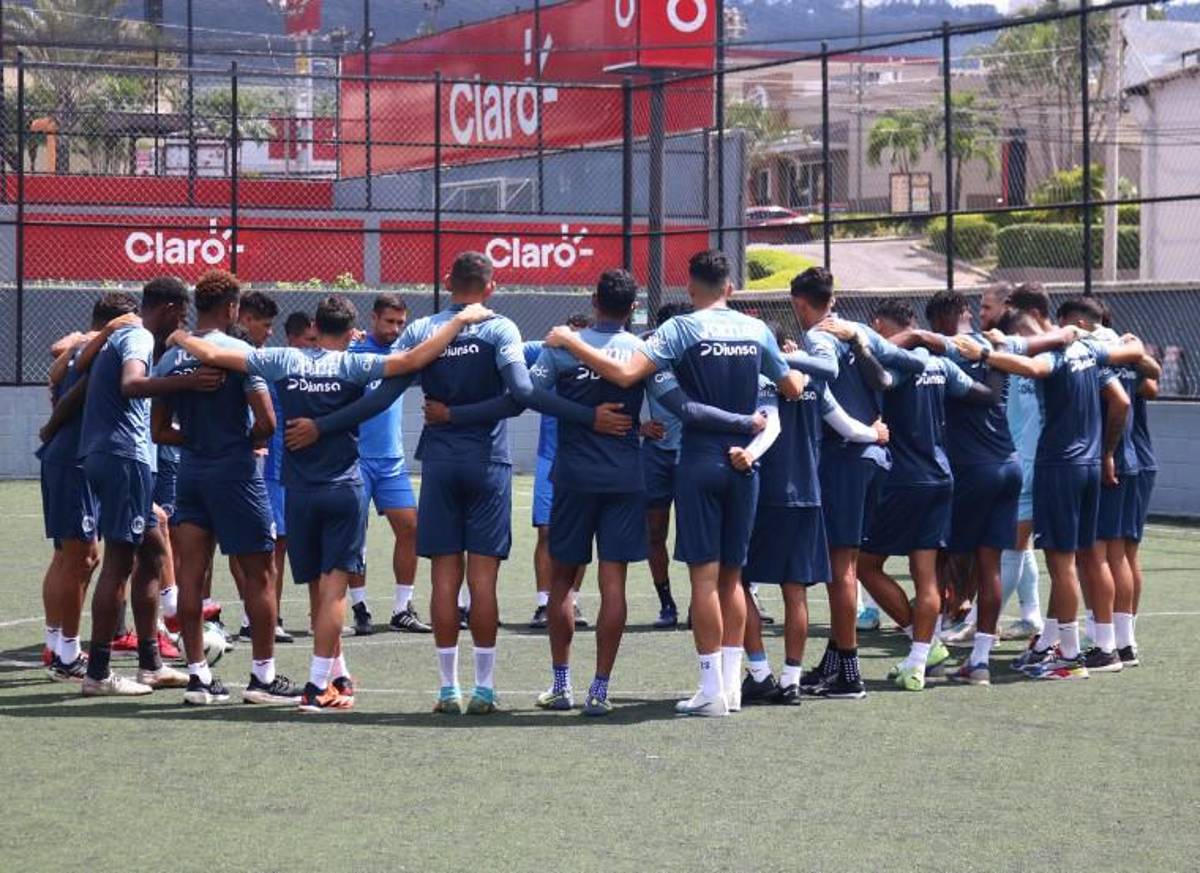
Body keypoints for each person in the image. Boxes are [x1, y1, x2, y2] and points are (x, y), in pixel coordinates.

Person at [284, 253, 624, 715]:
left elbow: (380, 398)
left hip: (440, 464)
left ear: (447, 283)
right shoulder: (499, 328)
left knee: (444, 579)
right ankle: (484, 690)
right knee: (482, 582)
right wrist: (590, 418)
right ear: (491, 287)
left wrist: (322, 427)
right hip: (487, 463)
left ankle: (449, 690)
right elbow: (521, 397)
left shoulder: (423, 331)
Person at [167, 293, 494, 713]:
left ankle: (337, 674)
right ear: (352, 329)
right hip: (343, 489)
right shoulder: (355, 364)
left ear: (316, 329)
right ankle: (318, 685)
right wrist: (458, 322)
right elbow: (414, 360)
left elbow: (211, 351)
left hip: (298, 493)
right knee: (335, 592)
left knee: (318, 590)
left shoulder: (285, 360)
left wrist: (178, 334)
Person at [545, 250, 807, 717]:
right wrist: (797, 374)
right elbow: (791, 389)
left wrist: (570, 338)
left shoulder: (681, 328)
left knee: (704, 579)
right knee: (734, 578)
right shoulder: (756, 329)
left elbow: (627, 373)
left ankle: (710, 690)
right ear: (730, 287)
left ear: (690, 288)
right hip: (746, 465)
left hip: (703, 458)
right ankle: (729, 689)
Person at [953, 299, 1147, 681]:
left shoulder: (1056, 356)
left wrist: (986, 353)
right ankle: (1106, 647)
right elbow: (1135, 356)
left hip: (1059, 467)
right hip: (1091, 465)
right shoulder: (1090, 350)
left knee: (1061, 566)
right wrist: (1107, 451)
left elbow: (1031, 366)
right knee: (1090, 557)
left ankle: (1069, 655)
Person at [153, 270, 301, 706]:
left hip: (191, 475)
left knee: (192, 578)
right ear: (233, 307)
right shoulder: (242, 352)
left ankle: (198, 677)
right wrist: (242, 441)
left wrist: (197, 440)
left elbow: (160, 430)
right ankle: (263, 678)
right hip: (236, 474)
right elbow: (268, 423)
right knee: (260, 574)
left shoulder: (170, 360)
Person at [785, 267, 926, 699]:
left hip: (844, 457)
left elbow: (824, 373)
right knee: (845, 562)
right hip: (872, 458)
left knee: (841, 569)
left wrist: (778, 356)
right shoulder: (857, 329)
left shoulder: (818, 337)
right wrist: (865, 345)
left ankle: (849, 671)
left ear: (799, 304)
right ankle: (834, 661)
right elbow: (915, 361)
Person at [77, 277, 219, 696]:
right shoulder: (138, 335)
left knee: (155, 551)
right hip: (123, 457)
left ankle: (151, 663)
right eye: (183, 313)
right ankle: (99, 673)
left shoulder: (122, 335)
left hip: (114, 456)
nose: (183, 320)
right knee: (120, 561)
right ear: (172, 309)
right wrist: (189, 382)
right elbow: (132, 384)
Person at [741, 332, 890, 706]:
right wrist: (875, 432)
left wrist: (746, 453)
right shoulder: (815, 384)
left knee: (737, 583)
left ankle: (759, 672)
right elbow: (849, 428)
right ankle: (791, 680)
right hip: (809, 496)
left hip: (766, 495)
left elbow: (768, 426)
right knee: (797, 591)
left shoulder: (760, 381)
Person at [856, 300, 995, 691]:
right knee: (926, 575)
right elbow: (983, 394)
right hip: (941, 477)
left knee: (865, 566)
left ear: (881, 324)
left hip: (905, 479)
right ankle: (919, 661)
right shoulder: (940, 363)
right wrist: (997, 364)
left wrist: (864, 348)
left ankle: (927, 646)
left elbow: (879, 380)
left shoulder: (900, 362)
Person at [36, 294, 139, 681]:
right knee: (81, 558)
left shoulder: (83, 347)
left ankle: (56, 644)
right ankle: (66, 654)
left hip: (70, 458)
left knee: (70, 556)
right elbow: (70, 384)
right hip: (72, 461)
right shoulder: (98, 353)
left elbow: (59, 357)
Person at [345, 293, 431, 636]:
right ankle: (359, 607)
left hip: (392, 461)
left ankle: (401, 608)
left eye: (401, 323)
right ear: (373, 318)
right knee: (354, 536)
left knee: (411, 528)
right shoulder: (353, 353)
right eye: (389, 321)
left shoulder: (403, 355)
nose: (395, 329)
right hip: (356, 460)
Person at [525, 314, 591, 631]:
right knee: (547, 532)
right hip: (549, 456)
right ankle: (543, 603)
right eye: (569, 336)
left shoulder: (601, 357)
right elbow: (508, 349)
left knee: (580, 533)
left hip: (584, 457)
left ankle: (572, 602)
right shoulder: (546, 351)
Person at [640, 302, 692, 629]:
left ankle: (699, 604)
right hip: (656, 455)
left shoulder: (699, 356)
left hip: (693, 455)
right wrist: (638, 426)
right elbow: (619, 392)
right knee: (655, 532)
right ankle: (666, 603)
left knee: (695, 535)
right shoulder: (646, 356)